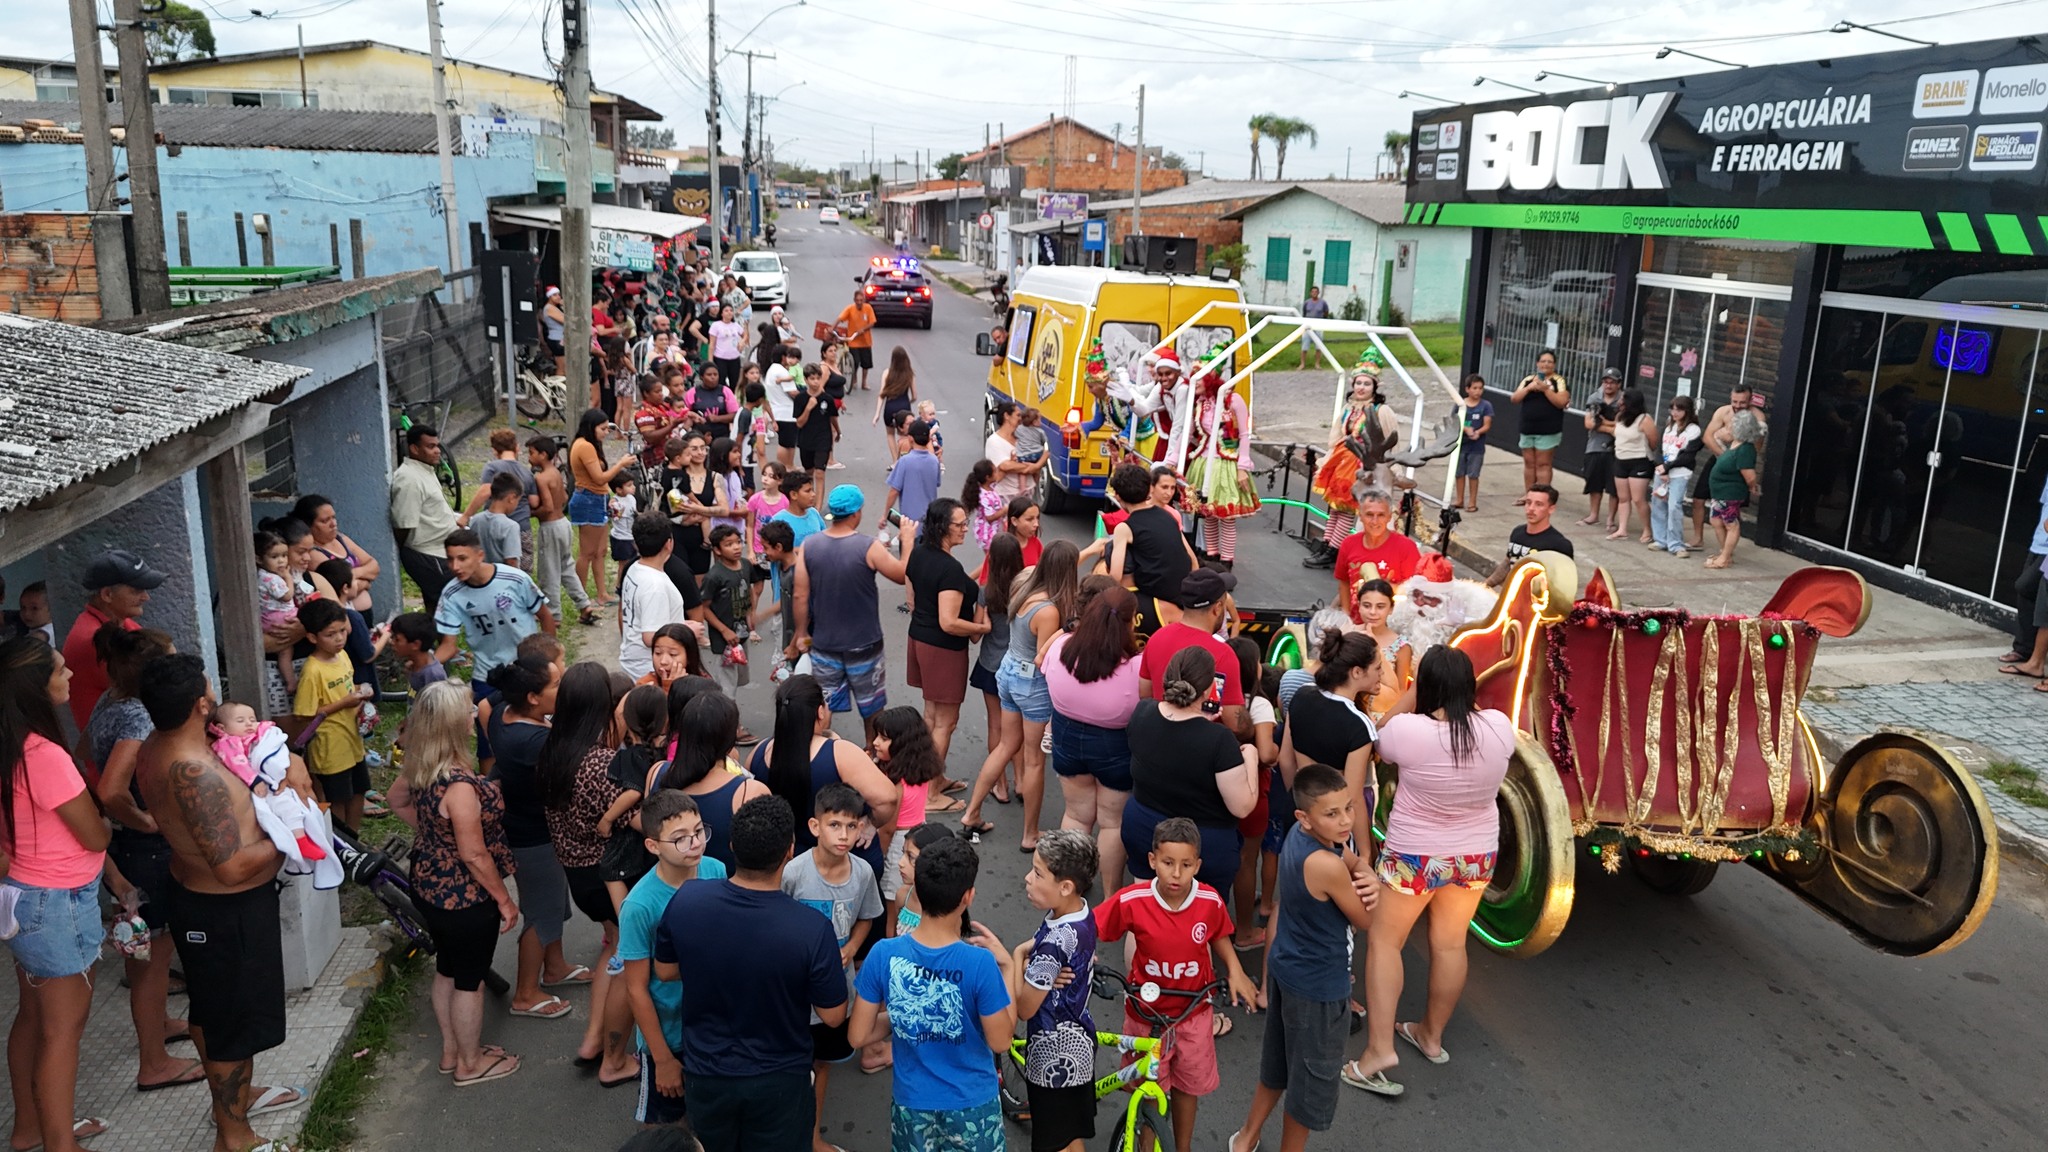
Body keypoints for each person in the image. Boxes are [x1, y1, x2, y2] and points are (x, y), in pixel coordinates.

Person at [134, 652, 311, 1152]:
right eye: (210, 689)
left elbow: (247, 743)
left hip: (201, 901)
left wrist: (292, 760)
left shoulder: (157, 744)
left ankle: (234, 1098)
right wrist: (292, 834)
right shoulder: (194, 772)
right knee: (231, 1025)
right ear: (199, 704)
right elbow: (231, 866)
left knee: (212, 1012)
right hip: (224, 911)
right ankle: (235, 1136)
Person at [1349, 647, 1515, 1097]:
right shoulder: (1498, 727)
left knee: (1386, 942)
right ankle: (1431, 1035)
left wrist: (1411, 693)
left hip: (1416, 855)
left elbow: (1379, 737)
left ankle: (1379, 1050)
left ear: (1427, 686)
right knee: (1451, 944)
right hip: (1475, 854)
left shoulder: (1411, 731)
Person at [652, 796, 848, 1152]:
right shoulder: (811, 928)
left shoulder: (687, 900)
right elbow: (834, 1016)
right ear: (789, 851)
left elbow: (665, 971)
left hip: (706, 1072)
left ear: (732, 845)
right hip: (781, 1077)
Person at [1230, 765, 1383, 1147]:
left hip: (1287, 969)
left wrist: (1363, 870)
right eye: (1332, 813)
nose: (1345, 820)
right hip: (1319, 988)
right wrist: (1375, 888)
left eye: (1348, 808)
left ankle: (1246, 1138)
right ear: (1305, 816)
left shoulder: (1303, 837)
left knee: (1278, 1067)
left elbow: (1351, 860)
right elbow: (1365, 919)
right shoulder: (1326, 865)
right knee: (1308, 1091)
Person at [3, 639, 112, 1152]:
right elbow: (93, 835)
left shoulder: (10, 744)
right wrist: (108, 828)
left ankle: (32, 1128)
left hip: (22, 896)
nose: (69, 674)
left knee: (34, 1017)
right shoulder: (43, 754)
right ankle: (59, 1145)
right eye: (59, 669)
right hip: (56, 902)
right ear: (35, 687)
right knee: (61, 1032)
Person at [79, 628, 198, 1094]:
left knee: (142, 952)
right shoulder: (138, 715)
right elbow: (111, 788)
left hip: (125, 850)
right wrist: (143, 819)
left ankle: (159, 1025)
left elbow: (82, 756)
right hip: (147, 850)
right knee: (153, 960)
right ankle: (154, 1062)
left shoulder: (109, 700)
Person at [387, 680, 522, 1087]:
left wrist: (434, 836)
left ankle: (452, 1051)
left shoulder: (423, 766)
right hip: (464, 898)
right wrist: (504, 900)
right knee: (469, 980)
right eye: (468, 710)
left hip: (428, 884)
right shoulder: (460, 786)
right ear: (452, 722)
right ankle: (469, 1063)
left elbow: (396, 799)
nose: (473, 715)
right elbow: (474, 855)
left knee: (446, 968)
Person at [1098, 818, 1263, 1152]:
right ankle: (1147, 1145)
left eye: (1186, 865)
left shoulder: (1209, 901)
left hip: (1193, 1013)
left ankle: (1181, 1147)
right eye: (1168, 863)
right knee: (1149, 1087)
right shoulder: (1133, 900)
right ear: (1152, 860)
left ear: (1197, 865)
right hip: (1146, 1013)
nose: (1176, 874)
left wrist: (1235, 970)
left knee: (1188, 1088)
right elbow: (1092, 927)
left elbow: (1218, 934)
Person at [849, 835, 1015, 1152]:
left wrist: (910, 1010)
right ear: (968, 896)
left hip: (912, 1104)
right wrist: (1008, 968)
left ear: (918, 888)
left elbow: (858, 1036)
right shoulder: (980, 963)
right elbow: (1001, 1041)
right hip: (973, 1105)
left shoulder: (883, 954)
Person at [539, 662, 640, 1085]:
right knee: (632, 960)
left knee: (613, 946)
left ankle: (593, 1038)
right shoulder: (601, 763)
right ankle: (614, 1059)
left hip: (577, 875)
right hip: (610, 874)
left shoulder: (552, 750)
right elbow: (640, 820)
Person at [782, 784, 884, 1152]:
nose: (843, 835)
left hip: (836, 992)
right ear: (814, 826)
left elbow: (866, 918)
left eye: (851, 826)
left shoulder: (863, 873)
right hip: (794, 993)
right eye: (834, 825)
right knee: (789, 1065)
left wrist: (853, 947)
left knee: (823, 1064)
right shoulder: (793, 873)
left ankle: (812, 1138)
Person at [961, 539, 1080, 851]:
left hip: (1008, 671)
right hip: (1032, 685)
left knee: (1005, 745)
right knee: (1034, 760)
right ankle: (1030, 834)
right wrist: (1065, 633)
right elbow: (1044, 658)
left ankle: (971, 812)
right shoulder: (1049, 610)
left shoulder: (1022, 585)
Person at [619, 790, 727, 1131]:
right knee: (664, 1125)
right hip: (669, 1034)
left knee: (709, 1112)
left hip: (711, 1024)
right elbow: (635, 989)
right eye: (680, 838)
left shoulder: (716, 870)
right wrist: (662, 1058)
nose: (695, 843)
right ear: (653, 846)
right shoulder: (639, 906)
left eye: (699, 831)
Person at [482, 653, 582, 1021]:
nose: (562, 688)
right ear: (533, 697)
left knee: (552, 903)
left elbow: (486, 703)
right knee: (541, 912)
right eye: (555, 684)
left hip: (521, 825)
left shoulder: (501, 713)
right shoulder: (536, 741)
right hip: (534, 838)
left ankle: (554, 967)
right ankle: (525, 994)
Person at [1122, 646, 1261, 896]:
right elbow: (1241, 807)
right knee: (1199, 914)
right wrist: (1251, 757)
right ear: (1208, 689)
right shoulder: (1219, 740)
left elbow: (1171, 742)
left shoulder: (1143, 711)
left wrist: (1198, 721)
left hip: (1143, 825)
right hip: (1201, 843)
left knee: (1144, 905)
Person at [748, 674, 901, 881]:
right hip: (846, 863)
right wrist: (870, 823)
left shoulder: (760, 752)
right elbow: (887, 799)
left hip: (787, 863)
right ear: (820, 711)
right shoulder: (840, 753)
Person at [1041, 584, 1144, 890]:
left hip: (1067, 736)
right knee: (1112, 823)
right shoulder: (1135, 667)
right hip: (1115, 745)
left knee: (1075, 815)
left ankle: (1071, 886)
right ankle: (1111, 895)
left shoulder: (1061, 647)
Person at [791, 485, 908, 738]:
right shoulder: (869, 547)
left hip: (824, 643)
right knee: (872, 707)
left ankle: (818, 751)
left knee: (823, 706)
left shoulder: (810, 546)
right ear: (856, 513)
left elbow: (800, 595)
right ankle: (873, 752)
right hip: (864, 644)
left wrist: (801, 633)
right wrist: (907, 542)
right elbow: (901, 575)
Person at [1010, 829, 1100, 1152]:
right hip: (1079, 1045)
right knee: (1069, 1137)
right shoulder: (1081, 914)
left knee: (1053, 1142)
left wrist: (1018, 958)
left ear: (1065, 887)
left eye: (1038, 873)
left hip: (1053, 1061)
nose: (1028, 878)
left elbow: (1024, 1008)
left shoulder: (1054, 944)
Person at [905, 499, 990, 768]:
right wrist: (982, 628)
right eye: (960, 524)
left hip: (919, 639)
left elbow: (912, 596)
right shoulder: (948, 568)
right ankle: (931, 786)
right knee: (946, 722)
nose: (966, 529)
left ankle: (924, 777)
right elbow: (949, 622)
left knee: (931, 715)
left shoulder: (920, 552)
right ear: (943, 527)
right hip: (944, 650)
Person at [1279, 627, 1383, 842]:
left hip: (1300, 814)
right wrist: (1365, 852)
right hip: (1336, 828)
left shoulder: (1302, 694)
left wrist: (1302, 802)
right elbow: (1353, 798)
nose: (1381, 673)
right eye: (1378, 667)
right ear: (1357, 672)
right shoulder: (1359, 724)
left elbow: (1286, 760)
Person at [435, 525, 556, 705]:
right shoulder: (451, 594)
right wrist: (425, 665)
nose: (455, 566)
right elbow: (448, 645)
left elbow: (545, 617)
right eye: (450, 559)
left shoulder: (515, 579)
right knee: (487, 718)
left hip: (526, 669)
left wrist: (549, 660)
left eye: (462, 558)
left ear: (480, 556)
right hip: (487, 675)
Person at [652, 689, 768, 872]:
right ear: (729, 738)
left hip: (667, 884)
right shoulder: (748, 792)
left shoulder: (656, 772)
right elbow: (764, 858)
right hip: (727, 886)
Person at [291, 598, 375, 830]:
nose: (339, 639)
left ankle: (355, 839)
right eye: (331, 634)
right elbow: (304, 715)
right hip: (329, 745)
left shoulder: (343, 656)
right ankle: (341, 842)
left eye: (342, 631)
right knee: (337, 799)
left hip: (352, 739)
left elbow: (348, 689)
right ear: (312, 637)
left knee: (358, 791)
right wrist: (344, 703)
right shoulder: (312, 671)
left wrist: (360, 695)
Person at [1306, 368, 1399, 567]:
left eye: (1367, 384)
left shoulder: (1381, 410)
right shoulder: (1349, 408)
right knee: (1335, 507)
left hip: (1361, 463)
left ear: (1375, 387)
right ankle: (1327, 544)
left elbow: (1390, 441)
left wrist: (1389, 469)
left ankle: (1334, 550)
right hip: (1342, 460)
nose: (1361, 388)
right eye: (1358, 383)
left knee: (1347, 507)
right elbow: (1337, 436)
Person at [1139, 567, 1246, 736]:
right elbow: (1235, 723)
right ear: (1218, 607)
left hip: (1160, 736)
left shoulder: (1156, 638)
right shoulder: (1224, 654)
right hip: (1203, 743)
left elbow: (1145, 695)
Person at [60, 548, 159, 730]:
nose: (146, 597)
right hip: (117, 743)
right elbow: (157, 689)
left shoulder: (120, 623)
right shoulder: (92, 640)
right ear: (107, 595)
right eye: (136, 590)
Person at [869, 706, 948, 931]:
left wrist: (878, 858)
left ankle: (890, 940)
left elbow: (887, 828)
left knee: (891, 903)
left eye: (884, 738)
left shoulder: (894, 783)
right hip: (918, 833)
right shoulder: (918, 767)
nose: (875, 742)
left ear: (902, 744)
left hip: (897, 844)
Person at [1103, 463, 1197, 635]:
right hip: (1183, 592)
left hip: (1153, 594)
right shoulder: (1168, 516)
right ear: (1149, 489)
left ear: (1117, 496)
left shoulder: (1125, 527)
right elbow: (1193, 561)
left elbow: (1115, 576)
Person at [1182, 365, 1260, 568]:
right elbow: (1188, 435)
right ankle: (1212, 555)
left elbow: (1244, 434)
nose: (1194, 382)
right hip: (1204, 461)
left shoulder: (1233, 400)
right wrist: (1174, 461)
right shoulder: (1200, 403)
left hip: (1226, 461)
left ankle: (1227, 560)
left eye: (1199, 378)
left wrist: (1242, 467)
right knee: (1208, 512)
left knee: (1226, 516)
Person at [971, 534, 1024, 806]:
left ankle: (1000, 785)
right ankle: (1022, 781)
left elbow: (975, 636)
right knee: (1018, 726)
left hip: (991, 664)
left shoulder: (986, 592)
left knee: (995, 724)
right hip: (1019, 665)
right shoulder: (1025, 590)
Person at [390, 423, 462, 616]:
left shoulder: (425, 471)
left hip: (442, 550)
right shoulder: (409, 479)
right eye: (431, 446)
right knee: (445, 608)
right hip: (428, 554)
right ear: (414, 449)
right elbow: (403, 524)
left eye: (437, 445)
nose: (437, 451)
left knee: (438, 607)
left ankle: (432, 635)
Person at [1690, 383, 1767, 549]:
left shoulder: (1758, 418)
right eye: (1734, 401)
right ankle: (1698, 538)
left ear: (1750, 400)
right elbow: (1708, 436)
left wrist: (1731, 446)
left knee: (1731, 510)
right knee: (1698, 498)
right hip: (1720, 458)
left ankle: (1726, 550)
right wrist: (1724, 456)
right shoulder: (1723, 411)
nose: (1737, 406)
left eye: (1742, 402)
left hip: (1739, 464)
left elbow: (1754, 448)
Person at [530, 435, 597, 623]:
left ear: (543, 455)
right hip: (563, 524)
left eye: (532, 453)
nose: (529, 457)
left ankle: (553, 614)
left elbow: (547, 507)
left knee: (548, 572)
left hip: (550, 527)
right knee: (566, 567)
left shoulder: (541, 478)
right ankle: (584, 604)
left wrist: (530, 512)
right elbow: (565, 497)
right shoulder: (556, 474)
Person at [1331, 486, 1422, 619]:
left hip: (1391, 623)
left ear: (1389, 517)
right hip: (1355, 623)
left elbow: (1415, 591)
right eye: (1369, 514)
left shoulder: (1406, 547)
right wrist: (1346, 615)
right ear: (1360, 516)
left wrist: (1385, 587)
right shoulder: (1348, 544)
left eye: (1381, 515)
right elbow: (1344, 582)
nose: (1374, 521)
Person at [620, 511, 690, 682]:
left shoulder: (634, 568)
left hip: (634, 659)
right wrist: (687, 631)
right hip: (652, 668)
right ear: (669, 544)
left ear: (636, 544)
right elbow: (650, 637)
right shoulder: (655, 586)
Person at [702, 526, 760, 725]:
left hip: (741, 636)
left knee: (737, 680)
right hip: (724, 641)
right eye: (729, 544)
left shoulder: (745, 565)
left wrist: (751, 612)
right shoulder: (714, 576)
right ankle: (730, 726)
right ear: (717, 550)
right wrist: (723, 630)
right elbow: (705, 608)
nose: (736, 547)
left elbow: (751, 588)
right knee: (727, 686)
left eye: (738, 542)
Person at [460, 432, 540, 572]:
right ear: (516, 447)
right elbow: (534, 502)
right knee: (521, 568)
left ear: (494, 450)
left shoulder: (492, 467)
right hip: (522, 526)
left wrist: (466, 516)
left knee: (490, 565)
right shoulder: (527, 472)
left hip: (494, 526)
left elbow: (485, 491)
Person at [296, 493, 384, 611]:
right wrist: (366, 582)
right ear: (308, 525)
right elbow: (340, 587)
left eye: (333, 517)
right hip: (343, 613)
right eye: (325, 521)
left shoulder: (340, 538)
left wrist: (352, 575)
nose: (333, 524)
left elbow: (374, 566)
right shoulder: (312, 553)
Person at [1999, 474, 2048, 681]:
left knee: (2028, 588)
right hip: (2040, 541)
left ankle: (2034, 658)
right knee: (2028, 592)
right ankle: (2026, 650)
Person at [1704, 409, 1763, 570]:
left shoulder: (1745, 449)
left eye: (1732, 425)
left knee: (1731, 524)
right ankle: (1725, 553)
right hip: (1719, 492)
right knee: (1716, 520)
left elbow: (1750, 476)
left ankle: (1724, 558)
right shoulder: (1735, 443)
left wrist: (1752, 487)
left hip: (1730, 493)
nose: (1728, 426)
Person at [1509, 349, 1571, 501]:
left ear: (1554, 364)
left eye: (1550, 361)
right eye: (1543, 361)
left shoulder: (1559, 381)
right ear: (1537, 363)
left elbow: (1562, 402)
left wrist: (1545, 389)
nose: (1546, 364)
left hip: (1548, 430)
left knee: (1543, 464)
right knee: (1529, 464)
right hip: (1528, 428)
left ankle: (1543, 497)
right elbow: (1514, 399)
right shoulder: (1528, 379)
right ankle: (1529, 495)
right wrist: (1529, 388)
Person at [1487, 484, 1575, 588]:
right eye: (1528, 503)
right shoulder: (1517, 533)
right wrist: (1483, 586)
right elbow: (1508, 563)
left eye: (1539, 504)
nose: (1531, 508)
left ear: (1551, 509)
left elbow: (1564, 585)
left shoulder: (1559, 545)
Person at [1651, 395, 1703, 557]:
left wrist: (1667, 468)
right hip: (1662, 472)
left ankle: (1676, 544)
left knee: (1674, 506)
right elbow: (1659, 449)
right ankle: (1661, 539)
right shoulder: (1668, 427)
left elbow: (1687, 456)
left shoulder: (1693, 430)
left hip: (1680, 473)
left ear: (1687, 411)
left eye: (1679, 410)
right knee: (1658, 504)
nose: (1674, 413)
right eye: (1672, 409)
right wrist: (1661, 467)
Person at [1608, 387, 1658, 542]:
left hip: (1639, 461)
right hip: (1620, 459)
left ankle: (1647, 530)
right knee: (1623, 498)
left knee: (1638, 498)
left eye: (1623, 399)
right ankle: (1622, 529)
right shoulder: (1620, 416)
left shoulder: (1645, 419)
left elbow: (1654, 442)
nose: (1620, 401)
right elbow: (1616, 433)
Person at [880, 420, 943, 537]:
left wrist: (885, 515)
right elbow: (937, 483)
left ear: (910, 438)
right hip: (930, 520)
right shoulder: (934, 461)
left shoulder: (905, 461)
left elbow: (894, 491)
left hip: (910, 523)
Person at [1578, 367, 1623, 530]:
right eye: (1606, 382)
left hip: (1617, 450)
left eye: (1612, 382)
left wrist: (1602, 423)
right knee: (1594, 482)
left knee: (1614, 487)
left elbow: (1624, 425)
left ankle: (1611, 519)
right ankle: (1593, 515)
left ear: (1618, 384)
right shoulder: (1594, 397)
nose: (1608, 385)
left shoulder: (1624, 400)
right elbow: (1589, 423)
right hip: (1595, 446)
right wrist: (1611, 429)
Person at [985, 399, 1044, 502]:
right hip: (1006, 496)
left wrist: (1035, 466)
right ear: (1007, 416)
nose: (1021, 419)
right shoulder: (994, 441)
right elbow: (1005, 466)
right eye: (1018, 415)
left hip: (1028, 493)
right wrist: (1033, 467)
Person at [467, 472, 527, 567]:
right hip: (501, 574)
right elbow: (511, 561)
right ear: (511, 498)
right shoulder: (510, 526)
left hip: (479, 572)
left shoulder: (475, 520)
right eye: (517, 501)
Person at [1453, 374, 1493, 513]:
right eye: (1474, 388)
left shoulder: (1486, 406)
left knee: (1473, 474)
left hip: (1477, 447)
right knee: (1459, 473)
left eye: (1480, 388)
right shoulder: (1460, 405)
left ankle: (1472, 502)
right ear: (1467, 389)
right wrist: (1466, 429)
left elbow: (1487, 424)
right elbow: (1454, 421)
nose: (1478, 391)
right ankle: (1459, 499)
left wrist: (1478, 432)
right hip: (1461, 445)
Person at [874, 347, 918, 462]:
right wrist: (909, 402)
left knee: (890, 434)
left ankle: (895, 461)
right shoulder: (909, 374)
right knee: (906, 435)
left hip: (890, 407)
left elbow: (881, 394)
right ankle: (906, 458)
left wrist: (877, 414)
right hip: (904, 407)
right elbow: (914, 396)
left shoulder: (887, 373)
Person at [763, 344, 803, 471]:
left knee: (790, 442)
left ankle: (789, 465)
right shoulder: (782, 372)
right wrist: (805, 396)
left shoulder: (772, 370)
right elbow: (792, 392)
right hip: (786, 412)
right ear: (783, 357)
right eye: (789, 356)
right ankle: (784, 466)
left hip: (778, 410)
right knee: (785, 443)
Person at [834, 285, 878, 391]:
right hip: (853, 341)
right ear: (854, 300)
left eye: (861, 300)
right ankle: (854, 380)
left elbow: (872, 322)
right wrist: (832, 327)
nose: (859, 302)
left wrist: (863, 329)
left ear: (864, 300)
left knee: (866, 364)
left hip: (866, 341)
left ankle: (864, 383)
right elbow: (840, 318)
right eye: (857, 300)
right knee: (855, 362)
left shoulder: (868, 308)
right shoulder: (850, 309)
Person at [795, 363, 837, 474]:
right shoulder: (800, 399)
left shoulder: (827, 399)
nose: (816, 382)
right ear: (806, 380)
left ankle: (819, 487)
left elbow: (833, 417)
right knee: (809, 472)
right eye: (812, 379)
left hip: (823, 438)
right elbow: (799, 423)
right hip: (806, 439)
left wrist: (838, 431)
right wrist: (808, 408)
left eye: (818, 378)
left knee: (819, 472)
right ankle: (810, 486)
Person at [771, 469, 825, 549]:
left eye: (812, 490)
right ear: (793, 495)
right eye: (808, 491)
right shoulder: (778, 520)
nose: (813, 494)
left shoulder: (814, 513)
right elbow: (775, 551)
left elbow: (824, 537)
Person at [708, 304, 748, 402]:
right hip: (720, 357)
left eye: (731, 310)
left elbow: (745, 335)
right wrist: (710, 360)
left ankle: (733, 400)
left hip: (734, 358)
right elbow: (712, 344)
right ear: (721, 313)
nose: (729, 312)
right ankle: (721, 399)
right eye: (726, 310)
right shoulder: (716, 325)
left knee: (735, 381)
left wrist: (742, 341)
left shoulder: (735, 325)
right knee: (721, 381)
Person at [1297, 285, 1332, 369]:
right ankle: (1302, 364)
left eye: (1316, 292)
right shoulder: (1307, 302)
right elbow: (1304, 313)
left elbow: (1326, 312)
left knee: (1319, 346)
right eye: (1312, 292)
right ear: (1310, 293)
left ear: (1318, 293)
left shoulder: (1323, 303)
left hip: (1318, 325)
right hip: (1308, 326)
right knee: (1304, 345)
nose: (1314, 293)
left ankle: (1317, 364)